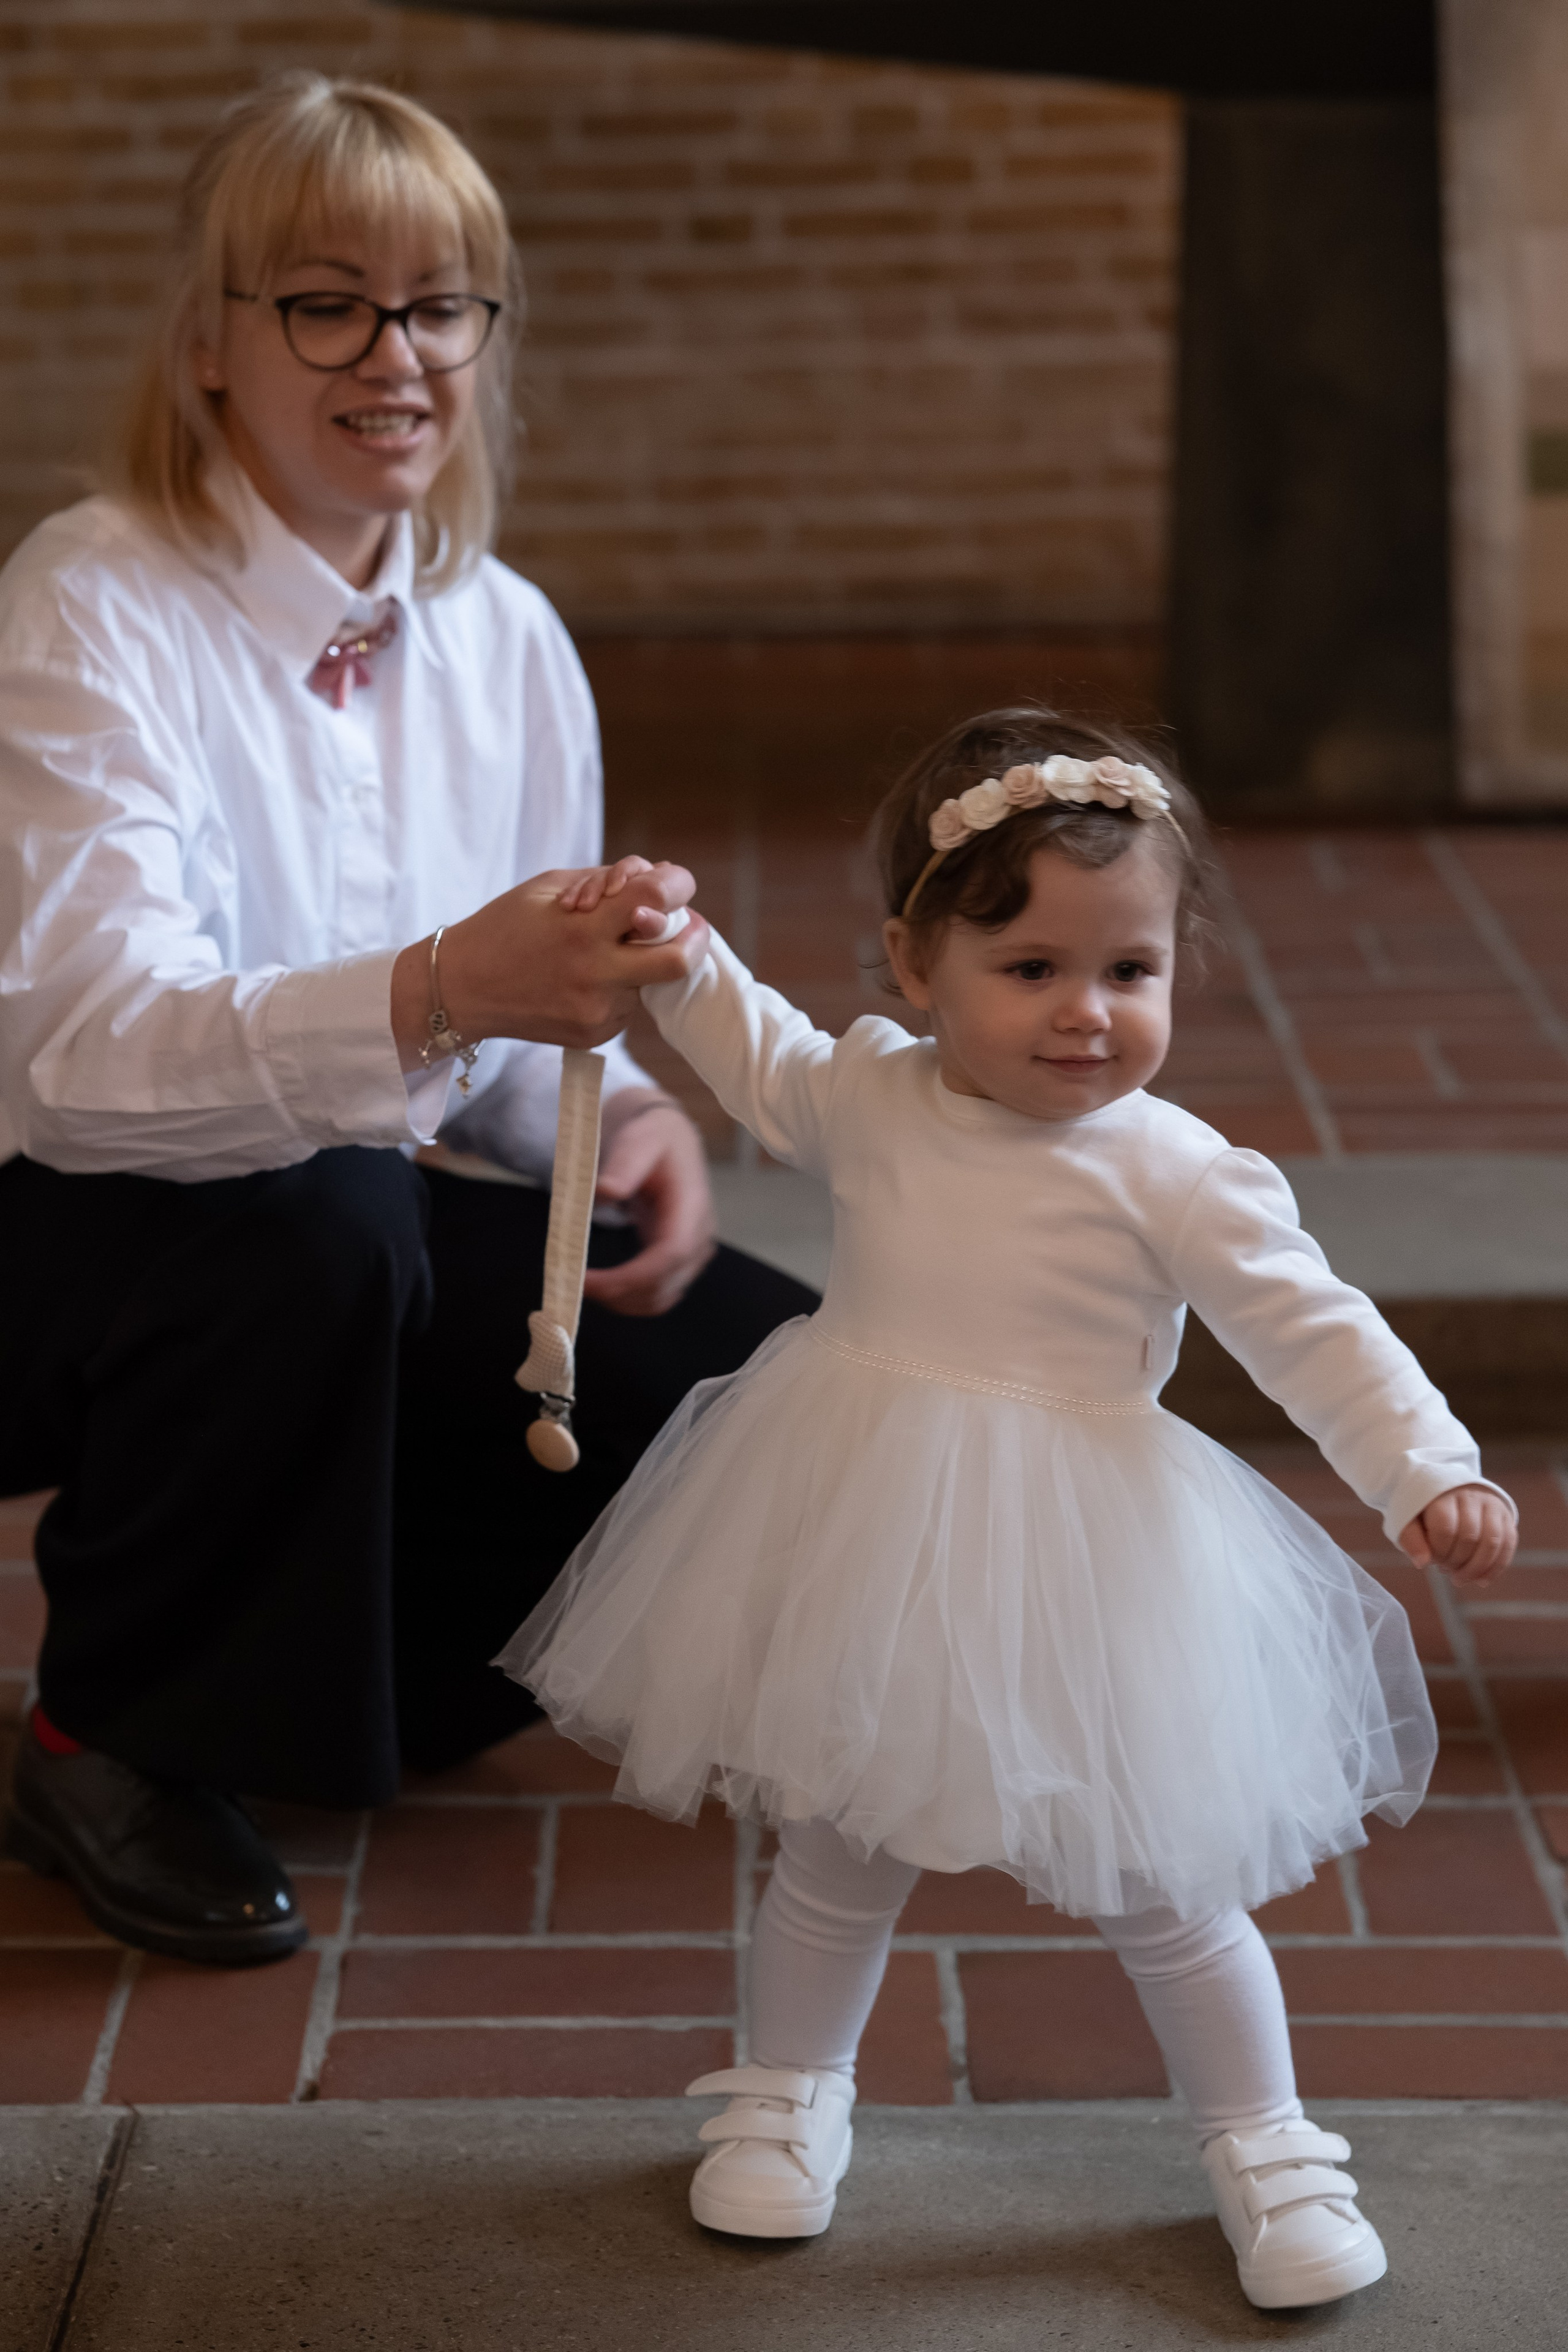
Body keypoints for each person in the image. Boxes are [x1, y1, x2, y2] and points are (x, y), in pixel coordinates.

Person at [500, 708, 1517, 2313]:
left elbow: (1313, 1325)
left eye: (1130, 969)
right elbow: (753, 1047)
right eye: (1031, 967)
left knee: (1165, 1886)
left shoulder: (1176, 1168)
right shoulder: (870, 1095)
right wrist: (676, 953)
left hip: (1096, 1557)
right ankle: (791, 2093)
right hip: (869, 1524)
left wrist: (1426, 1464)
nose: (1086, 1013)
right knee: (837, 1845)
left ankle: (1265, 2142)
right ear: (918, 964)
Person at [0, 74, 814, 1970]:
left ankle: (330, 1681)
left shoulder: (507, 634)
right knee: (325, 1215)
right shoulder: (88, 602)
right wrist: (443, 987)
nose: (397, 354)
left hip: (305, 1231)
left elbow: (510, 1050)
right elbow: (83, 1062)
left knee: (745, 1370)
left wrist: (617, 1121)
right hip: (48, 1232)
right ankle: (103, 1738)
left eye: (442, 304)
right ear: (210, 343)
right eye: (326, 303)